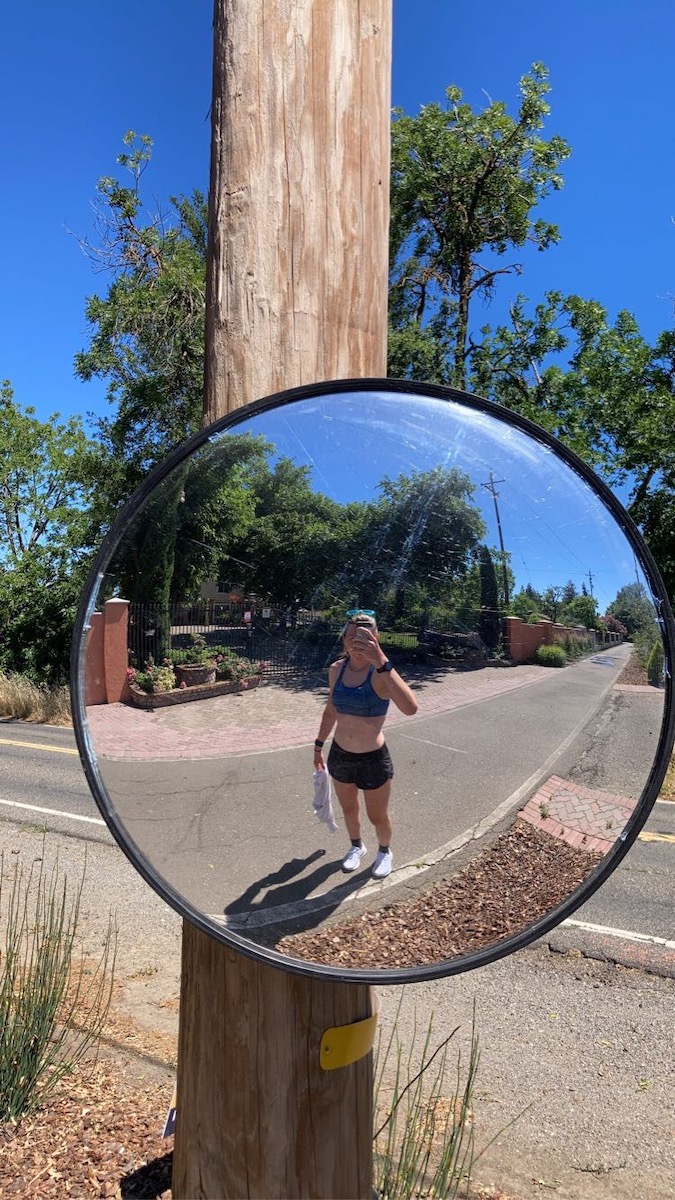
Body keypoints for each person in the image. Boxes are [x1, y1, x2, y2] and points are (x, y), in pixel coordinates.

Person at [313, 610, 418, 879]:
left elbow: (410, 708)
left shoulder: (381, 672)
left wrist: (381, 660)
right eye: (351, 636)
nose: (356, 642)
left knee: (377, 816)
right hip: (340, 755)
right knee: (349, 810)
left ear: (375, 638)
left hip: (373, 759)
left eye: (364, 636)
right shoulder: (336, 669)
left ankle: (384, 851)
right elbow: (330, 711)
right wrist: (318, 746)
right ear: (344, 639)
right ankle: (356, 846)